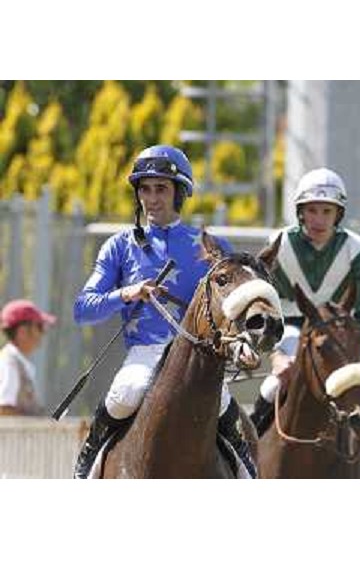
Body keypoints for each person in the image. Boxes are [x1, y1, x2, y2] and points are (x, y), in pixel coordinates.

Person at [72, 144, 256, 479]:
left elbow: (234, 308)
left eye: (161, 189)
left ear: (179, 193)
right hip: (144, 353)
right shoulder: (119, 246)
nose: (151, 198)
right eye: (145, 189)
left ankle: (248, 471)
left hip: (198, 359)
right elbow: (83, 309)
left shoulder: (212, 248)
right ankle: (85, 469)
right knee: (125, 392)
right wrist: (126, 293)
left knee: (227, 407)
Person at [249, 167, 360, 470]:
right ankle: (246, 451)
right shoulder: (279, 244)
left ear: (338, 214)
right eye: (311, 210)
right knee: (272, 386)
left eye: (327, 211)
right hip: (290, 330)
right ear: (300, 212)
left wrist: (352, 356)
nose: (319, 219)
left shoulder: (358, 252)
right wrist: (274, 356)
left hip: (338, 340)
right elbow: (263, 307)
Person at [0, 299, 56, 415]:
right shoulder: (10, 363)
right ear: (22, 332)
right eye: (39, 326)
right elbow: (4, 409)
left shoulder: (15, 362)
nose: (43, 333)